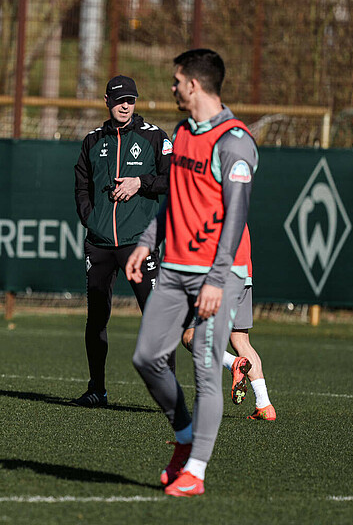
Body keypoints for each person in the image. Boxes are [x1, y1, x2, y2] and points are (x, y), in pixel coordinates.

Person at [125, 49, 258, 497]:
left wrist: (219, 280)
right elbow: (171, 201)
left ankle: (195, 471)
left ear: (195, 86)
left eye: (177, 81)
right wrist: (146, 241)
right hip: (177, 268)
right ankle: (184, 435)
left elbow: (236, 217)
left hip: (218, 274)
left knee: (205, 371)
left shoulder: (235, 141)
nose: (172, 88)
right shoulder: (181, 134)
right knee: (146, 357)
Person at [71, 75, 171, 408]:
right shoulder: (93, 140)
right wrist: (90, 218)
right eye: (118, 100)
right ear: (107, 102)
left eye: (130, 99)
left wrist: (139, 182)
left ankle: (167, 393)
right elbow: (81, 183)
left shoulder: (154, 137)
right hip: (99, 245)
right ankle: (96, 388)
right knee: (96, 318)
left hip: (138, 242)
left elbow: (173, 179)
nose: (125, 105)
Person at [181, 271, 276, 421]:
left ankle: (232, 362)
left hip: (213, 277)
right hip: (244, 276)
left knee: (190, 335)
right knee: (241, 340)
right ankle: (264, 405)